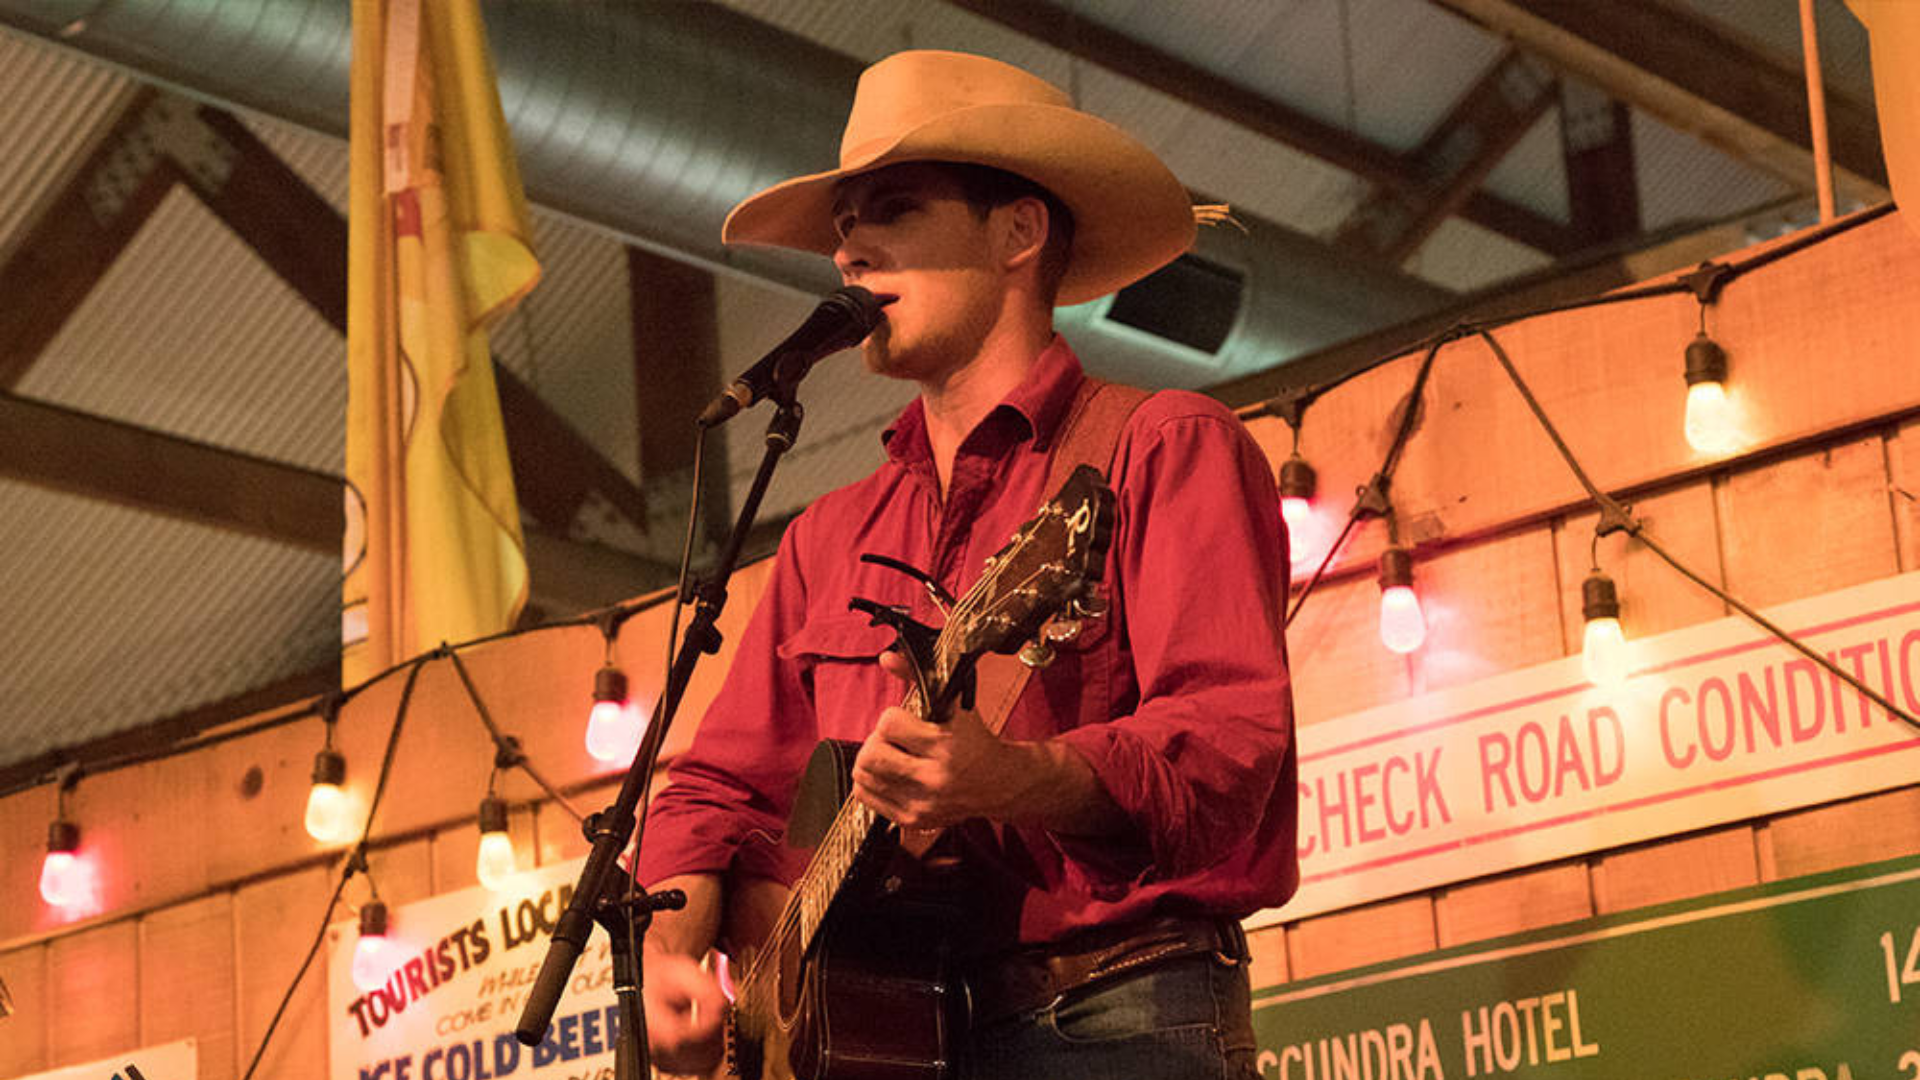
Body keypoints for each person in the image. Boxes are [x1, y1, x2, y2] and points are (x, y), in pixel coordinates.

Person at [632, 50, 1296, 1079]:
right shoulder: (827, 535)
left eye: (893, 209)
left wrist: (1018, 779)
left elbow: (1225, 752)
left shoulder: (1160, 446)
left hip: (1112, 1011)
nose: (850, 251)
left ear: (1018, 233)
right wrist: (675, 930)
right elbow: (717, 782)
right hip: (893, 1041)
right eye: (843, 227)